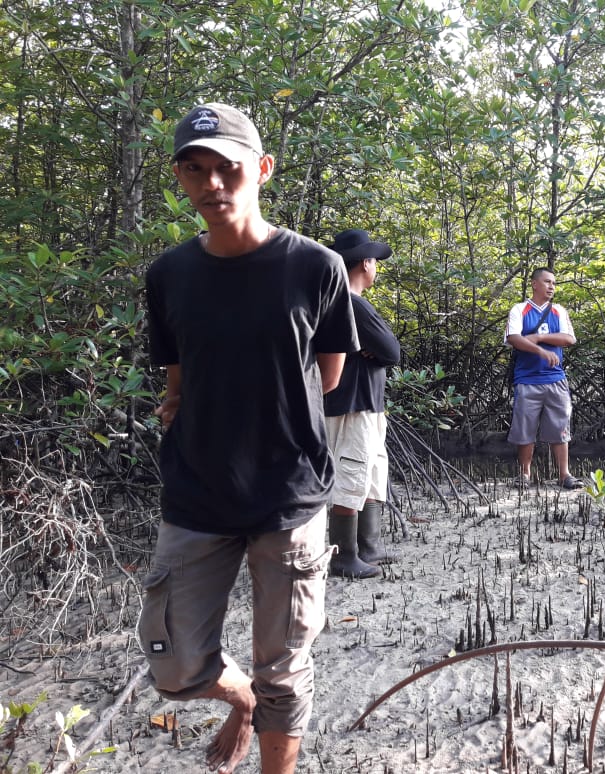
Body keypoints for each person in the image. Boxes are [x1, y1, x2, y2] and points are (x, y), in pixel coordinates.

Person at [141, 103, 359, 774]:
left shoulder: (314, 268)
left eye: (227, 169)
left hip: (285, 495)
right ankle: (240, 701)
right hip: (197, 493)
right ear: (180, 178)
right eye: (194, 169)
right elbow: (177, 380)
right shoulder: (168, 274)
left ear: (260, 170)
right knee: (173, 664)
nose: (212, 184)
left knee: (285, 671)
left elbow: (326, 378)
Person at [323, 228, 402, 580]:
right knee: (352, 472)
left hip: (367, 402)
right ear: (365, 264)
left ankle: (368, 546)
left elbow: (384, 351)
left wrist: (375, 350)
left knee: (371, 472)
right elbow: (392, 351)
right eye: (374, 261)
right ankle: (344, 555)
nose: (376, 269)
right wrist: (374, 351)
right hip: (352, 403)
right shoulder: (350, 302)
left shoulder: (339, 299)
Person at [504, 267, 581, 489]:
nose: (551, 287)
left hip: (556, 379)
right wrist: (541, 351)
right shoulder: (519, 310)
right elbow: (514, 338)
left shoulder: (558, 311)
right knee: (524, 429)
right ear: (534, 284)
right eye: (547, 282)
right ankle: (524, 474)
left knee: (560, 428)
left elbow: (569, 339)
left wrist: (539, 337)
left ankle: (564, 475)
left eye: (554, 283)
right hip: (527, 379)